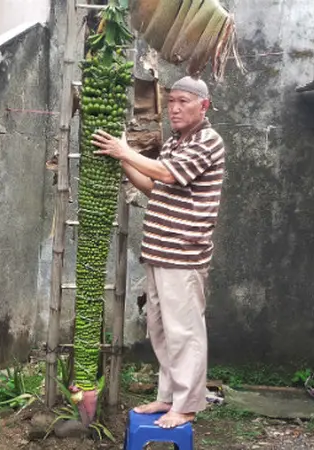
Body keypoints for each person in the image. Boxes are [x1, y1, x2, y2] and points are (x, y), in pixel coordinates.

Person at [90, 76, 225, 428]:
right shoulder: (173, 144)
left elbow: (166, 175)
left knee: (185, 332)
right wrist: (121, 160)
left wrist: (126, 151)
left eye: (183, 101)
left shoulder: (208, 141)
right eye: (172, 102)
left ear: (203, 105)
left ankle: (189, 403)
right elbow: (154, 186)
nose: (175, 108)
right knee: (162, 331)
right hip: (158, 253)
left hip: (183, 256)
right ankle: (168, 397)